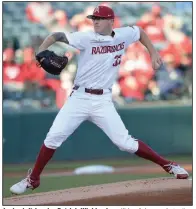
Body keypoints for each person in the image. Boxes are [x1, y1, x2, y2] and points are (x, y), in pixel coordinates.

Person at [10, 5, 189, 195]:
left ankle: (169, 165)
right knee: (53, 138)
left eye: (99, 18)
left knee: (125, 143)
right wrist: (41, 51)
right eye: (93, 18)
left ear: (111, 21)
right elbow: (56, 35)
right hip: (79, 98)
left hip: (103, 100)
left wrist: (153, 52)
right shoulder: (86, 37)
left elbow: (140, 32)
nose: (95, 21)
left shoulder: (123, 35)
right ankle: (33, 179)